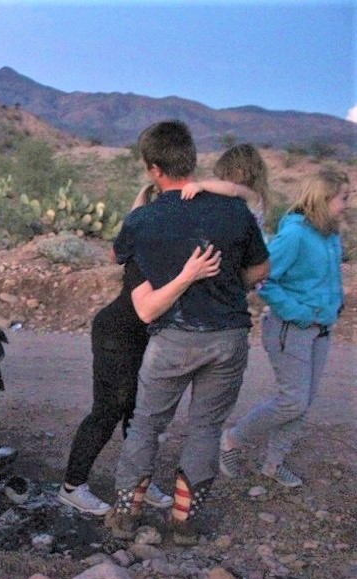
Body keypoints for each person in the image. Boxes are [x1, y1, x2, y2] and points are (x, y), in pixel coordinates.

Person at [106, 120, 270, 546]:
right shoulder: (234, 211)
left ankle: (126, 515)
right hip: (228, 336)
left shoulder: (145, 219)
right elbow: (260, 268)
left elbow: (117, 255)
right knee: (205, 429)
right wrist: (233, 285)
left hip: (173, 339)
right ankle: (184, 522)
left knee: (146, 426)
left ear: (153, 168)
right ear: (191, 159)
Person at [58, 184, 223, 516]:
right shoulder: (143, 253)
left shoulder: (172, 247)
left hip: (143, 337)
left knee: (140, 414)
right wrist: (189, 276)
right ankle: (72, 487)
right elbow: (148, 308)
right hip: (116, 335)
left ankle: (137, 485)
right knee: (109, 410)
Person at [219, 169, 349, 488]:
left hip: (321, 328)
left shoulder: (330, 232)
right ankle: (232, 439)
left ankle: (273, 464)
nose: (347, 204)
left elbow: (324, 277)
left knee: (302, 403)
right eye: (343, 198)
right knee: (293, 401)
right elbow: (262, 277)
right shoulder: (295, 234)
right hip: (291, 328)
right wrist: (300, 312)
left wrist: (334, 304)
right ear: (324, 198)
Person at [181, 143, 270, 231]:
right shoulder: (240, 200)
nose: (222, 182)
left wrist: (200, 185)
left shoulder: (252, 196)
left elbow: (232, 189)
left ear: (239, 172)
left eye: (224, 177)